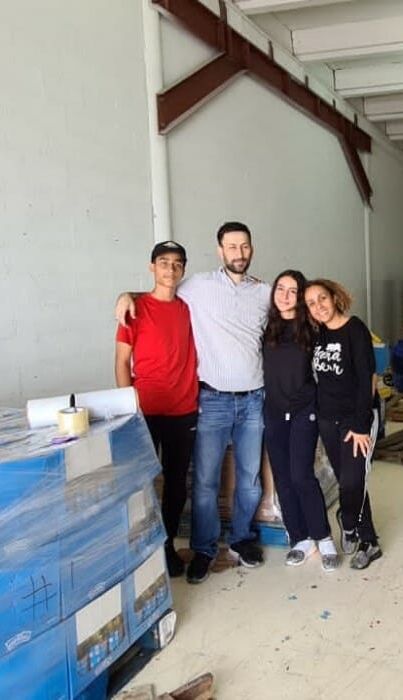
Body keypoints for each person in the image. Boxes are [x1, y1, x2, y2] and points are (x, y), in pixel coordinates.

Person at [117, 222, 271, 584]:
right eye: (231, 247)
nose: (239, 253)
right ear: (220, 251)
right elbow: (160, 291)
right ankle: (203, 549)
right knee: (204, 482)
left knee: (248, 480)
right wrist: (126, 294)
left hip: (253, 400)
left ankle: (241, 539)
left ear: (251, 249)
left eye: (244, 246)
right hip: (213, 399)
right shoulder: (198, 286)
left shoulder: (264, 292)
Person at [114, 241, 199, 578]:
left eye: (177, 264)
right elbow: (121, 361)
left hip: (184, 409)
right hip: (145, 411)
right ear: (152, 267)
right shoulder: (134, 309)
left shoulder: (189, 307)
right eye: (164, 263)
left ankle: (166, 544)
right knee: (143, 482)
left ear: (183, 270)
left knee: (176, 483)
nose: (171, 270)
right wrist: (128, 407)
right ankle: (143, 547)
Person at [262, 270, 338, 571]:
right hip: (273, 411)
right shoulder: (267, 325)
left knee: (301, 475)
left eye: (292, 291)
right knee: (282, 478)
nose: (284, 295)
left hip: (303, 410)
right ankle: (300, 539)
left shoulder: (312, 327)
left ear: (301, 296)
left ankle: (324, 537)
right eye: (280, 288)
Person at [305, 278, 383, 570]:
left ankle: (347, 520)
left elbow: (367, 379)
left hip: (356, 419)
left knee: (353, 481)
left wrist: (361, 424)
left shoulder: (355, 329)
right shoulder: (316, 334)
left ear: (334, 297)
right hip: (328, 419)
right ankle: (369, 541)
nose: (319, 307)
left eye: (322, 299)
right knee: (348, 482)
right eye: (311, 303)